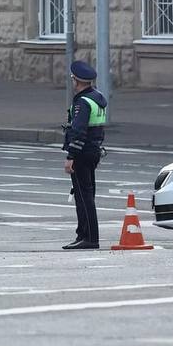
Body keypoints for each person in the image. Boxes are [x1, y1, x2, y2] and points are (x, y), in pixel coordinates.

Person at [62, 60, 107, 251]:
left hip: (82, 153)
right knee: (86, 195)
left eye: (72, 79)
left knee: (83, 197)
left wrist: (71, 156)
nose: (72, 82)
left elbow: (79, 131)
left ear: (77, 80)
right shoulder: (97, 97)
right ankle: (83, 234)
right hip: (93, 151)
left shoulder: (82, 102)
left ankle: (89, 238)